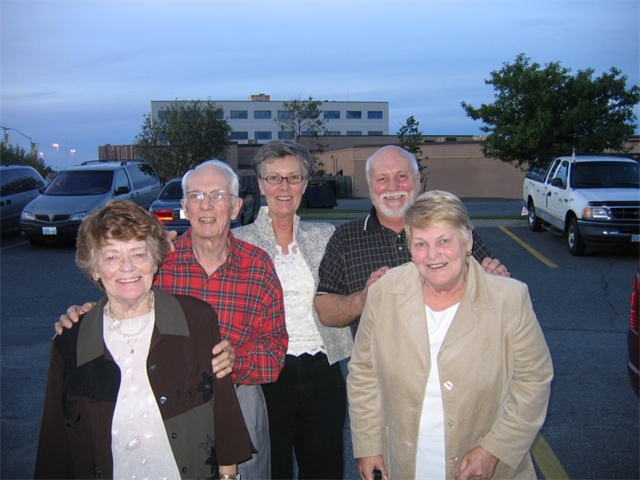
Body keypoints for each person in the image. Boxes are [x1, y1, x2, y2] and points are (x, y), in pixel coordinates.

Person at [56, 160, 288, 480]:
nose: (206, 205)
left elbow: (275, 349)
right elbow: (124, 295)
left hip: (238, 395)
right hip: (166, 399)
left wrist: (236, 359)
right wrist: (87, 318)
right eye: (195, 196)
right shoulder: (159, 262)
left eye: (218, 196)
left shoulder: (258, 266)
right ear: (184, 206)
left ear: (236, 207)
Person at [35, 200, 253, 479]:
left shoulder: (196, 319)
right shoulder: (71, 340)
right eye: (111, 256)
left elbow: (222, 405)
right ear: (95, 269)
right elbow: (56, 436)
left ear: (155, 260)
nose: (127, 268)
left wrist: (228, 475)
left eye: (138, 254)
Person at [348, 190, 553, 480]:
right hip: (403, 462)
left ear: (467, 240)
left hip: (485, 467)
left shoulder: (510, 298)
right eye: (421, 243)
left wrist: (494, 450)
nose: (433, 255)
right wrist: (367, 445)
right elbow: (363, 373)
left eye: (444, 240)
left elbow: (534, 381)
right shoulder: (384, 292)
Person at [233, 140, 352, 479]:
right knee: (272, 470)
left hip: (323, 371)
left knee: (325, 469)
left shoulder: (326, 236)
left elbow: (366, 278)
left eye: (293, 177)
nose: (283, 187)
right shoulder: (238, 242)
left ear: (305, 184)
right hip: (265, 375)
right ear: (259, 184)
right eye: (274, 178)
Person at [315, 145, 509, 332]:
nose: (393, 186)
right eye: (382, 178)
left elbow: (498, 293)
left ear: (417, 179)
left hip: (456, 356)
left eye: (401, 176)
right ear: (370, 185)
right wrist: (363, 299)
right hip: (379, 363)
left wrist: (497, 281)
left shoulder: (451, 229)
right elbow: (325, 312)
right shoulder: (345, 238)